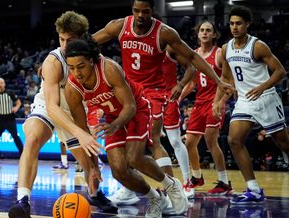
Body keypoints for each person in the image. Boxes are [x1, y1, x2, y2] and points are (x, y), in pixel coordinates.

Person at [93, 0, 233, 202]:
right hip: (128, 91)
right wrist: (57, 59)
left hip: (153, 93)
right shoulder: (120, 25)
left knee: (154, 141)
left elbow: (192, 58)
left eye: (145, 11)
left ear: (153, 11)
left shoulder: (164, 33)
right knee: (127, 144)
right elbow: (89, 43)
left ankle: (174, 190)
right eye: (136, 10)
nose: (140, 15)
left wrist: (218, 80)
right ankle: (131, 188)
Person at [8, 11, 115, 218]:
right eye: (62, 39)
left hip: (75, 112)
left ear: (83, 38)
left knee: (89, 165)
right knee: (32, 139)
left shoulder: (93, 57)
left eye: (71, 40)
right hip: (49, 107)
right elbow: (52, 107)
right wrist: (81, 134)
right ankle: (23, 201)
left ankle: (95, 193)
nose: (65, 45)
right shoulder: (53, 61)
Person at [65, 35, 188, 218]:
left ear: (91, 61)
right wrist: (92, 168)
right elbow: (83, 132)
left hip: (137, 109)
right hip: (113, 117)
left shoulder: (108, 69)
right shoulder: (72, 89)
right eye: (72, 68)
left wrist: (114, 126)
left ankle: (171, 185)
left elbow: (130, 106)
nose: (77, 73)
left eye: (81, 66)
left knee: (134, 157)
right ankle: (155, 198)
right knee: (118, 170)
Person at [213, 5, 289, 204]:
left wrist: (262, 87)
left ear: (247, 24)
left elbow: (280, 71)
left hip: (266, 98)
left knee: (283, 143)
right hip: (245, 101)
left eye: (239, 23)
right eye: (231, 24)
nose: (235, 27)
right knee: (234, 140)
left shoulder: (258, 46)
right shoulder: (225, 48)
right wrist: (218, 101)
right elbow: (226, 77)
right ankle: (253, 189)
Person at [179, 20, 233, 195]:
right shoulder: (194, 54)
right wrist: (179, 97)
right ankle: (196, 177)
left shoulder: (218, 54)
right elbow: (193, 84)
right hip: (199, 103)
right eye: (202, 30)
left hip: (214, 102)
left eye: (208, 30)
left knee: (211, 140)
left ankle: (224, 182)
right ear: (197, 34)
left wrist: (221, 102)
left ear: (214, 34)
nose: (204, 33)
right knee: (189, 142)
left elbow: (228, 81)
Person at [162, 47, 196, 198]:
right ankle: (130, 188)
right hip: (147, 95)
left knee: (175, 141)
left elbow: (191, 68)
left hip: (168, 96)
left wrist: (181, 85)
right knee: (139, 142)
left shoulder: (169, 48)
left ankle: (187, 181)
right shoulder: (137, 45)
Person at [0, 78, 24, 161]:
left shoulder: (10, 93)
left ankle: (23, 154)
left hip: (10, 118)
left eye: (1, 83)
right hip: (0, 119)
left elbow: (18, 102)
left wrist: (16, 108)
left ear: (4, 84)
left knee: (15, 136)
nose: (0, 85)